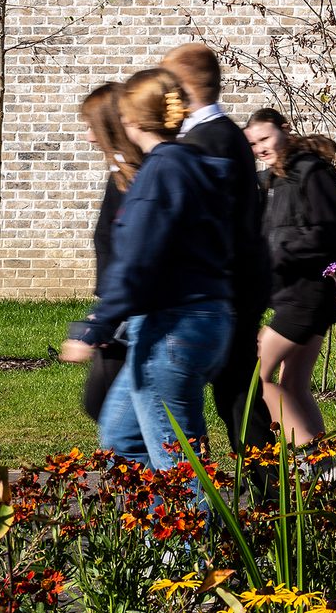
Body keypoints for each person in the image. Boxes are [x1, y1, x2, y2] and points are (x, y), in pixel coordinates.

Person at [60, 68, 236, 474]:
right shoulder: (193, 163)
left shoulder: (160, 174)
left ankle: (197, 536)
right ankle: (156, 534)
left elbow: (136, 260)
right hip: (201, 321)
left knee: (179, 465)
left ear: (132, 120)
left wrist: (95, 328)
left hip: (171, 330)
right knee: (124, 438)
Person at [159, 41, 273, 451]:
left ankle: (257, 490)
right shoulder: (225, 136)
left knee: (236, 397)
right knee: (238, 395)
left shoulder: (204, 144)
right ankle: (264, 488)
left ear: (183, 87)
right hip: (240, 285)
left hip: (225, 291)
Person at [244, 107, 336, 446]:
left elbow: (330, 232)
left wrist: (280, 254)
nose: (260, 148)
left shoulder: (311, 172)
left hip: (310, 294)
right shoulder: (274, 180)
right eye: (253, 144)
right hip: (296, 294)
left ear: (284, 129)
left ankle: (314, 460)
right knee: (292, 384)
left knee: (256, 379)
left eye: (265, 138)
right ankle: (329, 471)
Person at [78, 81, 142, 422]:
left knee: (109, 407)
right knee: (109, 408)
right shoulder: (120, 174)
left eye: (92, 127)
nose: (89, 137)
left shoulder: (136, 178)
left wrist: (108, 316)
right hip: (119, 309)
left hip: (132, 312)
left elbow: (132, 253)